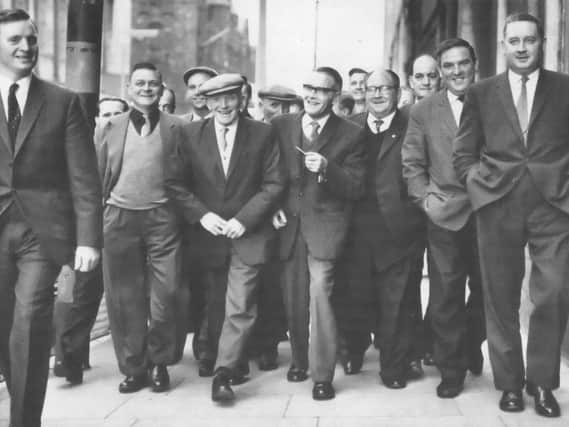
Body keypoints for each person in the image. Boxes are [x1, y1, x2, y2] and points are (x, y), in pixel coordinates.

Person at [453, 13, 569, 417]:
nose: (522, 48)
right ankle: (509, 384)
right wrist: (475, 184)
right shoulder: (482, 92)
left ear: (542, 42)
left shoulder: (564, 88)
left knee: (552, 293)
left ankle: (541, 383)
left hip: (553, 204)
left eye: (530, 40)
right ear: (502, 45)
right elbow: (463, 151)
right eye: (514, 41)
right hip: (497, 202)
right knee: (499, 296)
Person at [0, 8, 102, 427]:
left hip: (41, 234)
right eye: (15, 40)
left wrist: (88, 239)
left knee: (29, 320)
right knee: (5, 327)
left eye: (32, 39)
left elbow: (84, 176)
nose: (26, 47)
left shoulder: (62, 101)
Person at [164, 73, 285, 403]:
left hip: (249, 234)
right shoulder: (189, 134)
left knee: (241, 302)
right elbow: (175, 184)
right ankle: (225, 360)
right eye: (216, 99)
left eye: (231, 97)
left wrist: (245, 219)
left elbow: (274, 183)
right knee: (218, 303)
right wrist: (203, 215)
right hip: (209, 236)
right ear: (205, 102)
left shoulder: (262, 133)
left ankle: (224, 373)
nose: (224, 105)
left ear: (242, 98)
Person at [271, 66, 366, 400]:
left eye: (321, 90)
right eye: (308, 87)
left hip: (326, 229)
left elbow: (356, 187)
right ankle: (299, 360)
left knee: (320, 297)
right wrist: (275, 208)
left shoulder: (351, 133)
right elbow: (270, 177)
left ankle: (322, 374)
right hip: (289, 228)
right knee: (294, 297)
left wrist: (328, 169)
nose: (311, 94)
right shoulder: (281, 126)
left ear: (334, 96)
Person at [402, 38, 486, 399]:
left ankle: (470, 342)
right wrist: (428, 202)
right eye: (448, 66)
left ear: (474, 64)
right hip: (445, 214)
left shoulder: (492, 99)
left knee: (489, 291)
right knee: (445, 294)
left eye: (462, 63)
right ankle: (451, 368)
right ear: (440, 72)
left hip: (489, 212)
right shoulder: (424, 110)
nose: (456, 71)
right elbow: (412, 164)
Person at [97, 62, 187, 394]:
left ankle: (160, 362)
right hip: (119, 218)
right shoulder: (109, 126)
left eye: (153, 83)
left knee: (167, 293)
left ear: (162, 88)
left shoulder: (178, 127)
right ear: (129, 89)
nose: (147, 88)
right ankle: (134, 368)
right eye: (140, 83)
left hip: (163, 218)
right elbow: (95, 176)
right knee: (124, 297)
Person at [335, 69, 425, 388]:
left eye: (384, 89)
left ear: (397, 93)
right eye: (371, 89)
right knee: (356, 295)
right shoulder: (350, 126)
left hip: (398, 229)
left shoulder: (412, 125)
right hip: (356, 230)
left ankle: (393, 367)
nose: (376, 95)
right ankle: (354, 351)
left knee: (396, 301)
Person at [53, 96, 130, 385]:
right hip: (84, 237)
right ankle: (69, 359)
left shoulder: (129, 145)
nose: (110, 119)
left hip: (120, 231)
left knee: (120, 298)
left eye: (116, 114)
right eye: (105, 114)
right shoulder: (78, 145)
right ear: (96, 119)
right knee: (76, 297)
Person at [406, 53, 442, 369]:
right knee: (410, 281)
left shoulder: (452, 113)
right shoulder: (402, 116)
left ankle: (434, 340)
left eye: (431, 75)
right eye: (420, 76)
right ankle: (415, 347)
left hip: (446, 211)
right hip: (408, 213)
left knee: (444, 281)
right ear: (410, 81)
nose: (426, 82)